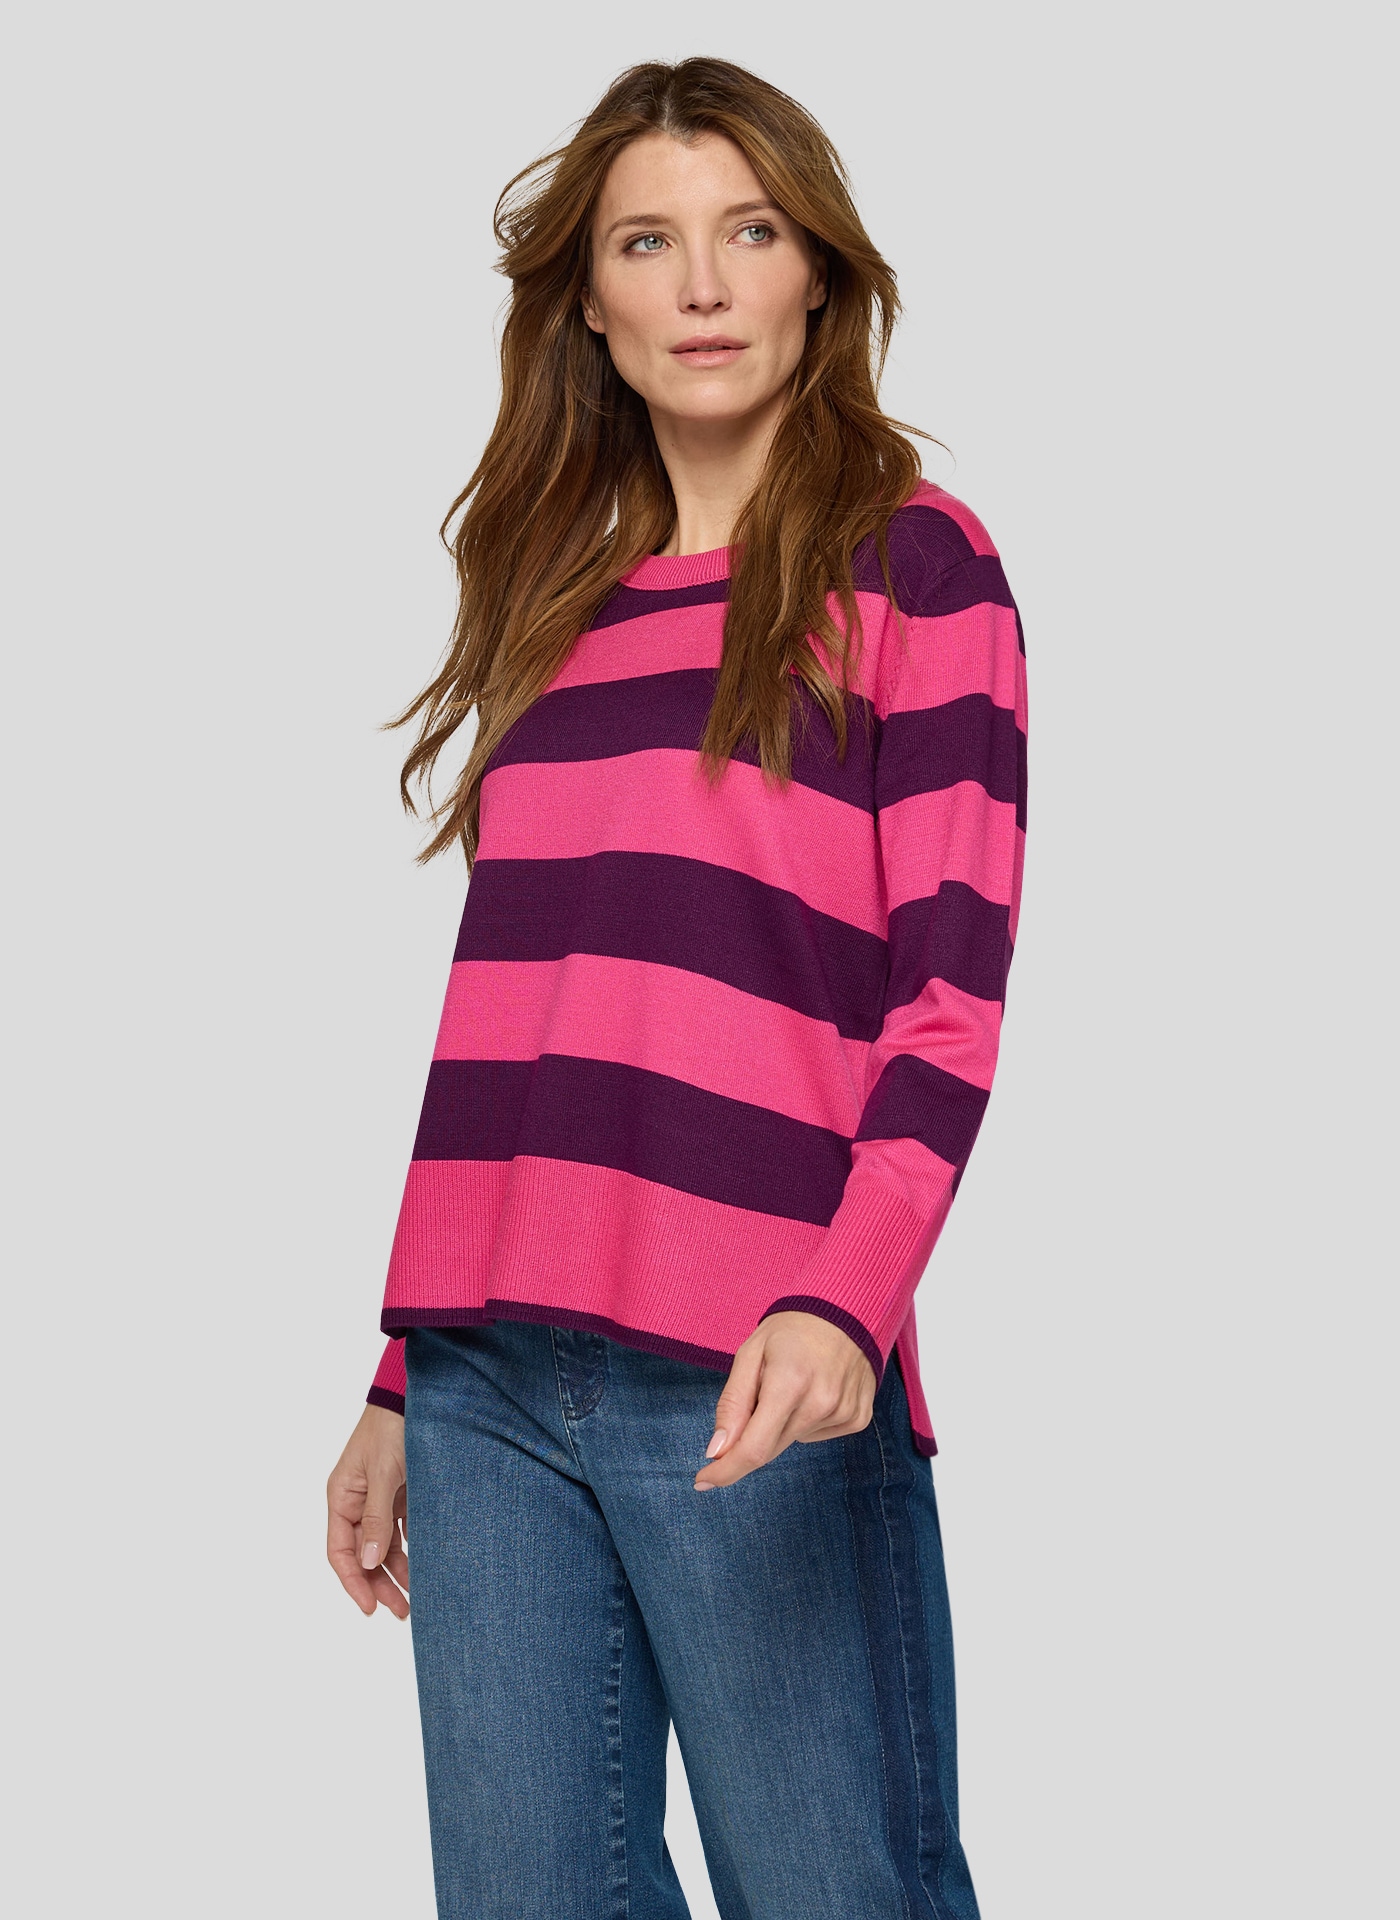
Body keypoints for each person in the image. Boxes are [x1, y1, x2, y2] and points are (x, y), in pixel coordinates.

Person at [326, 55, 1026, 1920]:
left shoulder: (917, 568)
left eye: (751, 231)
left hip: (758, 1367)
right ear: (591, 302)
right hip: (486, 1379)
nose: (704, 285)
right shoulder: (559, 595)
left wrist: (848, 1300)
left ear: (817, 274)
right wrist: (403, 1368)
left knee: (844, 1892)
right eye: (648, 242)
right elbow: (516, 1008)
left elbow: (947, 1005)